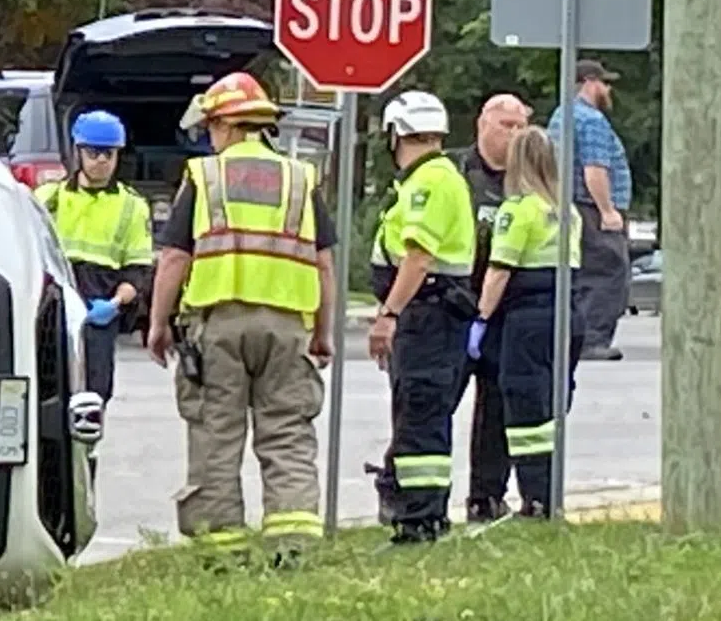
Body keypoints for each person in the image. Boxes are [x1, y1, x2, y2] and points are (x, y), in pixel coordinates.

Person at [146, 69, 330, 559]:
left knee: (216, 435)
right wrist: (324, 333)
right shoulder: (300, 178)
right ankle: (293, 545)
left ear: (226, 126)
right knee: (287, 433)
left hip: (219, 325)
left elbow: (174, 258)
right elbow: (325, 263)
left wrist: (158, 324)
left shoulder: (204, 177)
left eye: (211, 128)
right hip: (289, 325)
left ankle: (223, 550)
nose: (209, 137)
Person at [363, 89, 478, 542]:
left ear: (396, 133)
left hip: (428, 314)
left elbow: (418, 258)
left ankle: (421, 521)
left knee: (421, 414)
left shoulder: (430, 182)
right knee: (417, 411)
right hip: (427, 313)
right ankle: (418, 512)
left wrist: (388, 314)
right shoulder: (430, 178)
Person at [472, 117, 580, 516]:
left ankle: (535, 500)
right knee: (551, 404)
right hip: (566, 315)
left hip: (527, 321)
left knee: (524, 410)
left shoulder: (517, 211)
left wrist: (481, 320)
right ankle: (548, 495)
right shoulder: (566, 212)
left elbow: (500, 271)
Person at [43, 110, 156, 404]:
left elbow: (137, 270)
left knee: (95, 392)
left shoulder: (132, 206)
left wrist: (115, 304)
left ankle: (87, 449)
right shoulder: (48, 198)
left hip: (99, 307)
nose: (102, 161)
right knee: (48, 388)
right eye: (94, 153)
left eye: (109, 153)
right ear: (77, 152)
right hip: (51, 305)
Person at [460, 92, 530, 520]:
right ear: (482, 125)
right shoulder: (456, 172)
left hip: (507, 310)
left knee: (497, 407)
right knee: (431, 402)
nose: (515, 134)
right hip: (454, 301)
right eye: (507, 125)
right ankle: (408, 496)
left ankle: (486, 496)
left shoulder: (530, 179)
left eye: (521, 126)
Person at [549, 61, 635, 360]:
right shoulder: (592, 120)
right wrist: (608, 211)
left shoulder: (562, 116)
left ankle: (574, 338)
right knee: (609, 273)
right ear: (589, 82)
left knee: (581, 275)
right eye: (604, 83)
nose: (608, 90)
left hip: (569, 206)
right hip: (591, 209)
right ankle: (593, 340)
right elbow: (595, 170)